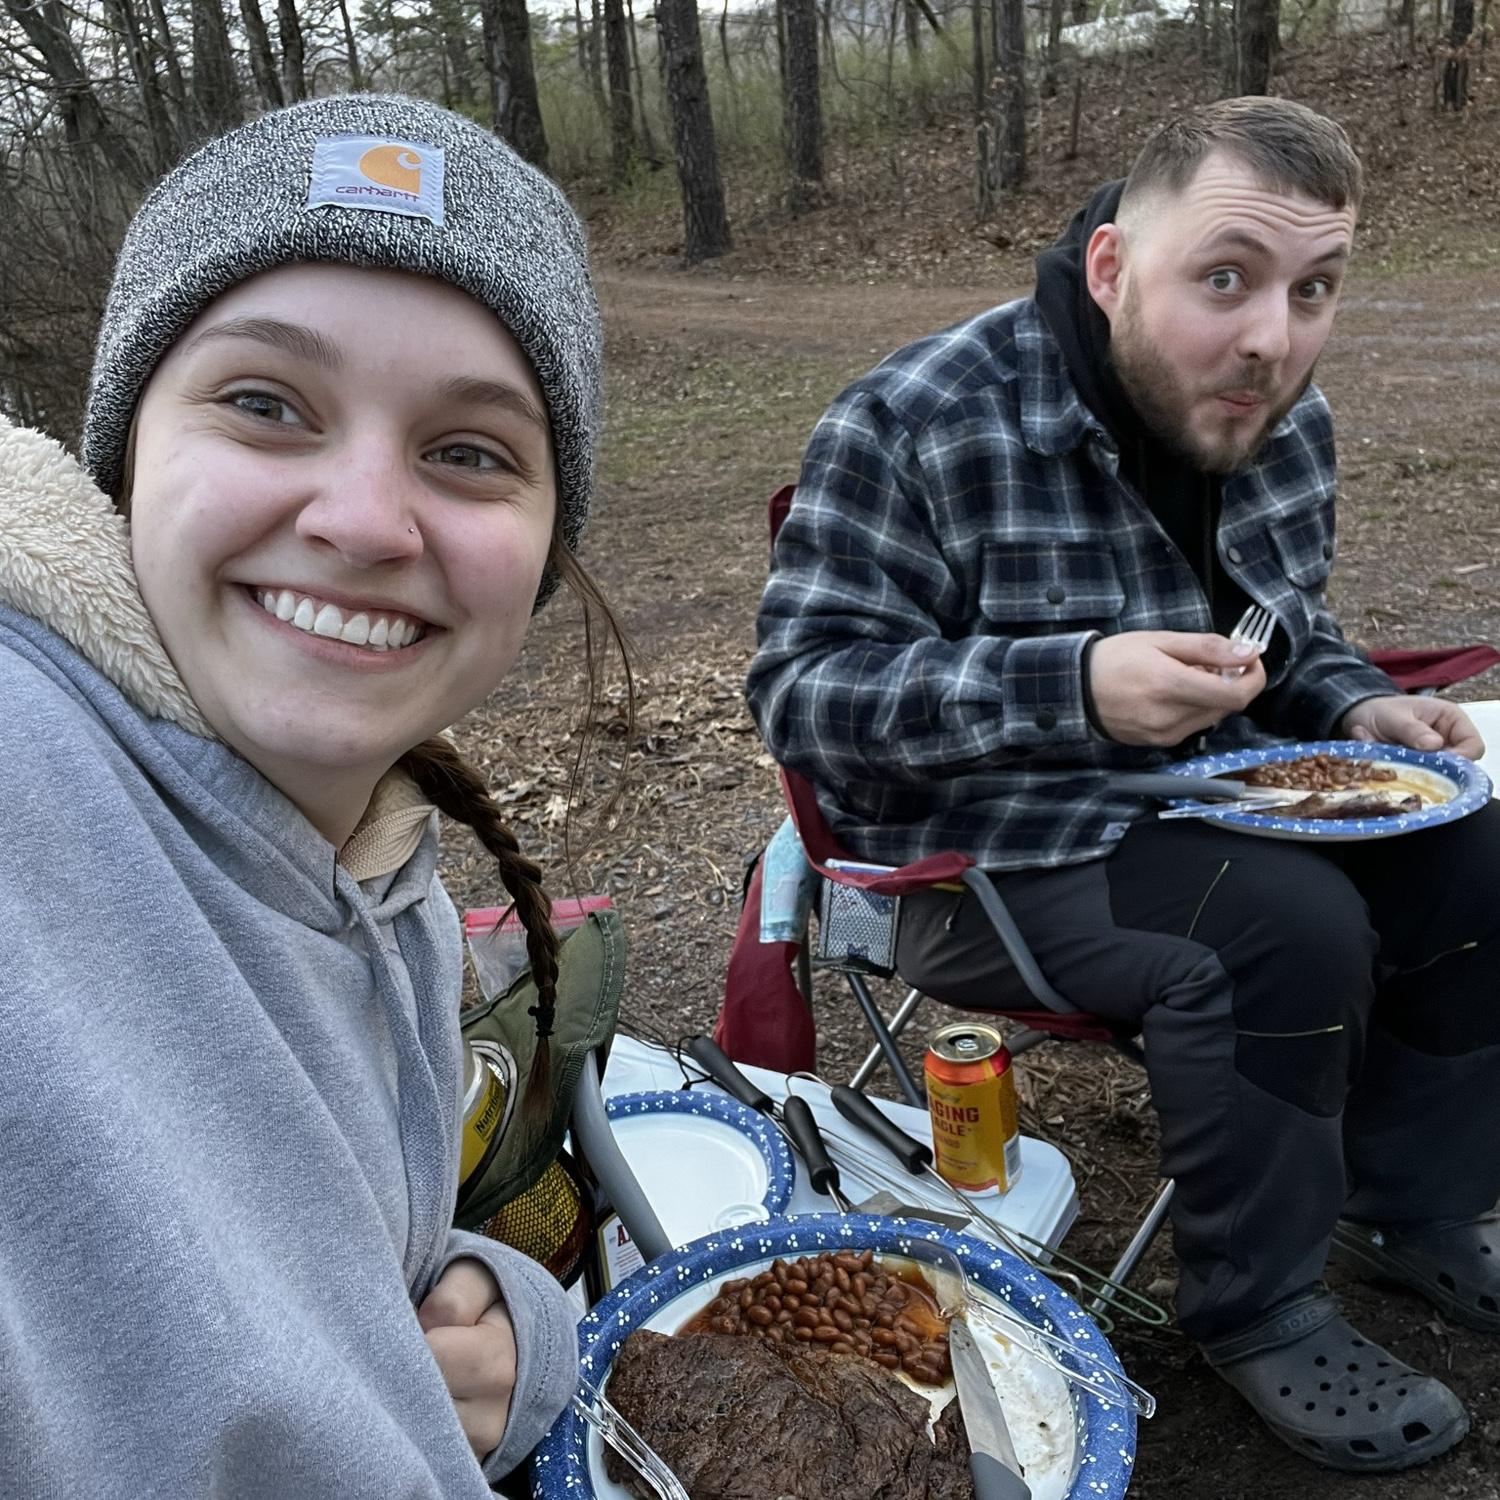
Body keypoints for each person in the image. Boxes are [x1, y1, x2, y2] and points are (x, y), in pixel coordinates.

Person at [747, 95, 1500, 1473]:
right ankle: (1257, 1307)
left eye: (1313, 290)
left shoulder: (1285, 420)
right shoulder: (919, 419)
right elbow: (802, 699)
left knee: (1473, 853)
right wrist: (1074, 684)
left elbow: (1284, 633)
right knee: (1287, 927)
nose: (1272, 338)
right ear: (1113, 267)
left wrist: (1357, 704)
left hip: (1217, 802)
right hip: (983, 857)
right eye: (1226, 279)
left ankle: (1416, 1204)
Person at [0, 94, 618, 1496]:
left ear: (542, 550)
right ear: (124, 456)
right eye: (266, 406)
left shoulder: (380, 872)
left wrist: (499, 1329)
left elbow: (313, 1276)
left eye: (468, 451)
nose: (361, 521)